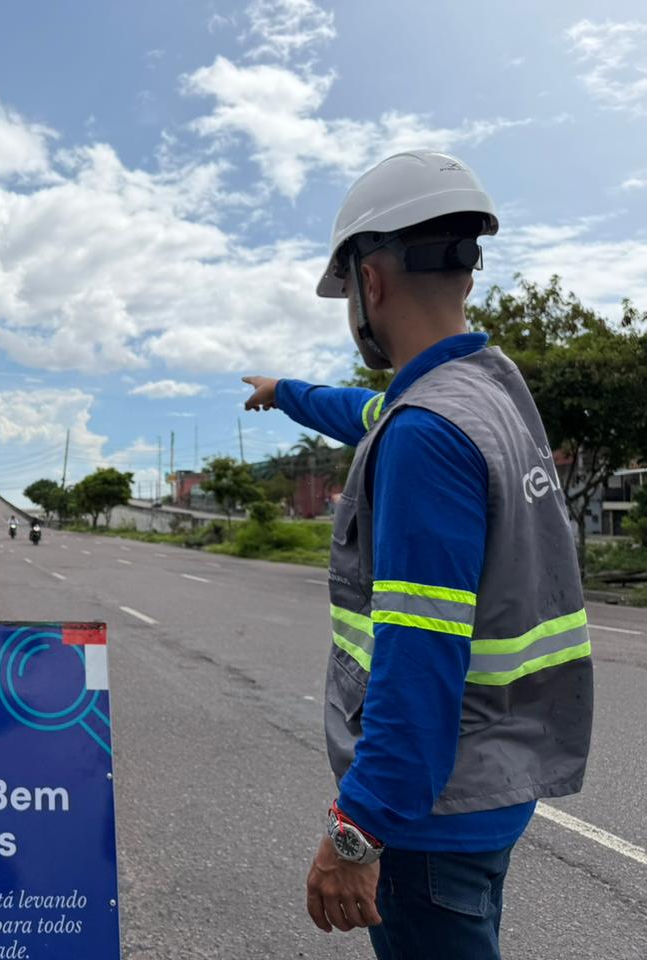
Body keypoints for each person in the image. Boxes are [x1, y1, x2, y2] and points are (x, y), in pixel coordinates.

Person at [243, 150, 593, 959]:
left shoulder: (427, 435)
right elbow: (364, 409)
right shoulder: (489, 395)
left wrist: (358, 830)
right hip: (494, 785)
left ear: (370, 284)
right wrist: (285, 392)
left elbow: (419, 653)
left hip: (429, 817)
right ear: (466, 271)